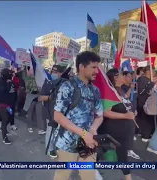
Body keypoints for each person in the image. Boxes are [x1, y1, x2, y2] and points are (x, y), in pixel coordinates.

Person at [52, 51, 103, 180]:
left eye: (97, 67)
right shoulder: (68, 86)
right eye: (93, 67)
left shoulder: (95, 90)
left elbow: (99, 115)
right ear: (81, 67)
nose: (97, 71)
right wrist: (84, 134)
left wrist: (92, 131)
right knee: (62, 176)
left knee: (89, 176)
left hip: (89, 144)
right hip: (67, 144)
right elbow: (57, 116)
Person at [98, 68, 136, 180]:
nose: (125, 76)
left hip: (124, 129)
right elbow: (105, 112)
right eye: (121, 74)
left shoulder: (120, 90)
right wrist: (125, 116)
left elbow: (125, 104)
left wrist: (132, 111)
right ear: (115, 77)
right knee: (122, 156)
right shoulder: (110, 92)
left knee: (102, 151)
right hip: (114, 130)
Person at [40, 65, 65, 158]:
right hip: (49, 111)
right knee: (50, 130)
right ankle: (50, 149)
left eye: (56, 71)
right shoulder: (48, 82)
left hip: (61, 112)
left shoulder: (65, 83)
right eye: (52, 71)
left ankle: (58, 146)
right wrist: (50, 97)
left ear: (60, 73)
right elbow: (41, 97)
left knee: (59, 131)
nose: (53, 73)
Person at [0, 68, 17, 144]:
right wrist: (8, 83)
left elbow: (14, 91)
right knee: (5, 119)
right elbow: (4, 90)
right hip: (3, 105)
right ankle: (4, 138)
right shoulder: (0, 83)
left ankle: (3, 128)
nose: (10, 75)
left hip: (10, 105)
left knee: (10, 117)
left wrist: (15, 100)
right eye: (9, 73)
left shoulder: (11, 82)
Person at [136, 66, 157, 142]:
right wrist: (151, 84)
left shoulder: (148, 80)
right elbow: (141, 91)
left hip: (149, 102)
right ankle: (145, 135)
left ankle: (146, 133)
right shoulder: (142, 79)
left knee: (148, 119)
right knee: (145, 120)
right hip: (143, 102)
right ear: (148, 71)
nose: (154, 73)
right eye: (153, 71)